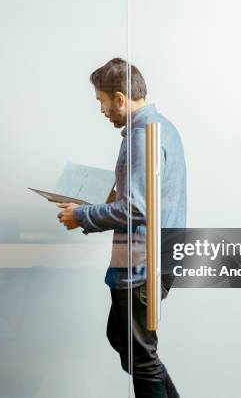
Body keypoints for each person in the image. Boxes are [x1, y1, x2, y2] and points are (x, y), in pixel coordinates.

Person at [56, 57, 187, 398]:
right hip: (152, 258)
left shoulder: (144, 136)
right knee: (124, 339)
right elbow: (142, 197)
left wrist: (81, 216)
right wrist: (101, 200)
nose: (101, 110)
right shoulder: (161, 128)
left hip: (144, 263)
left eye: (101, 101)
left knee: (142, 359)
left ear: (119, 98)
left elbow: (136, 208)